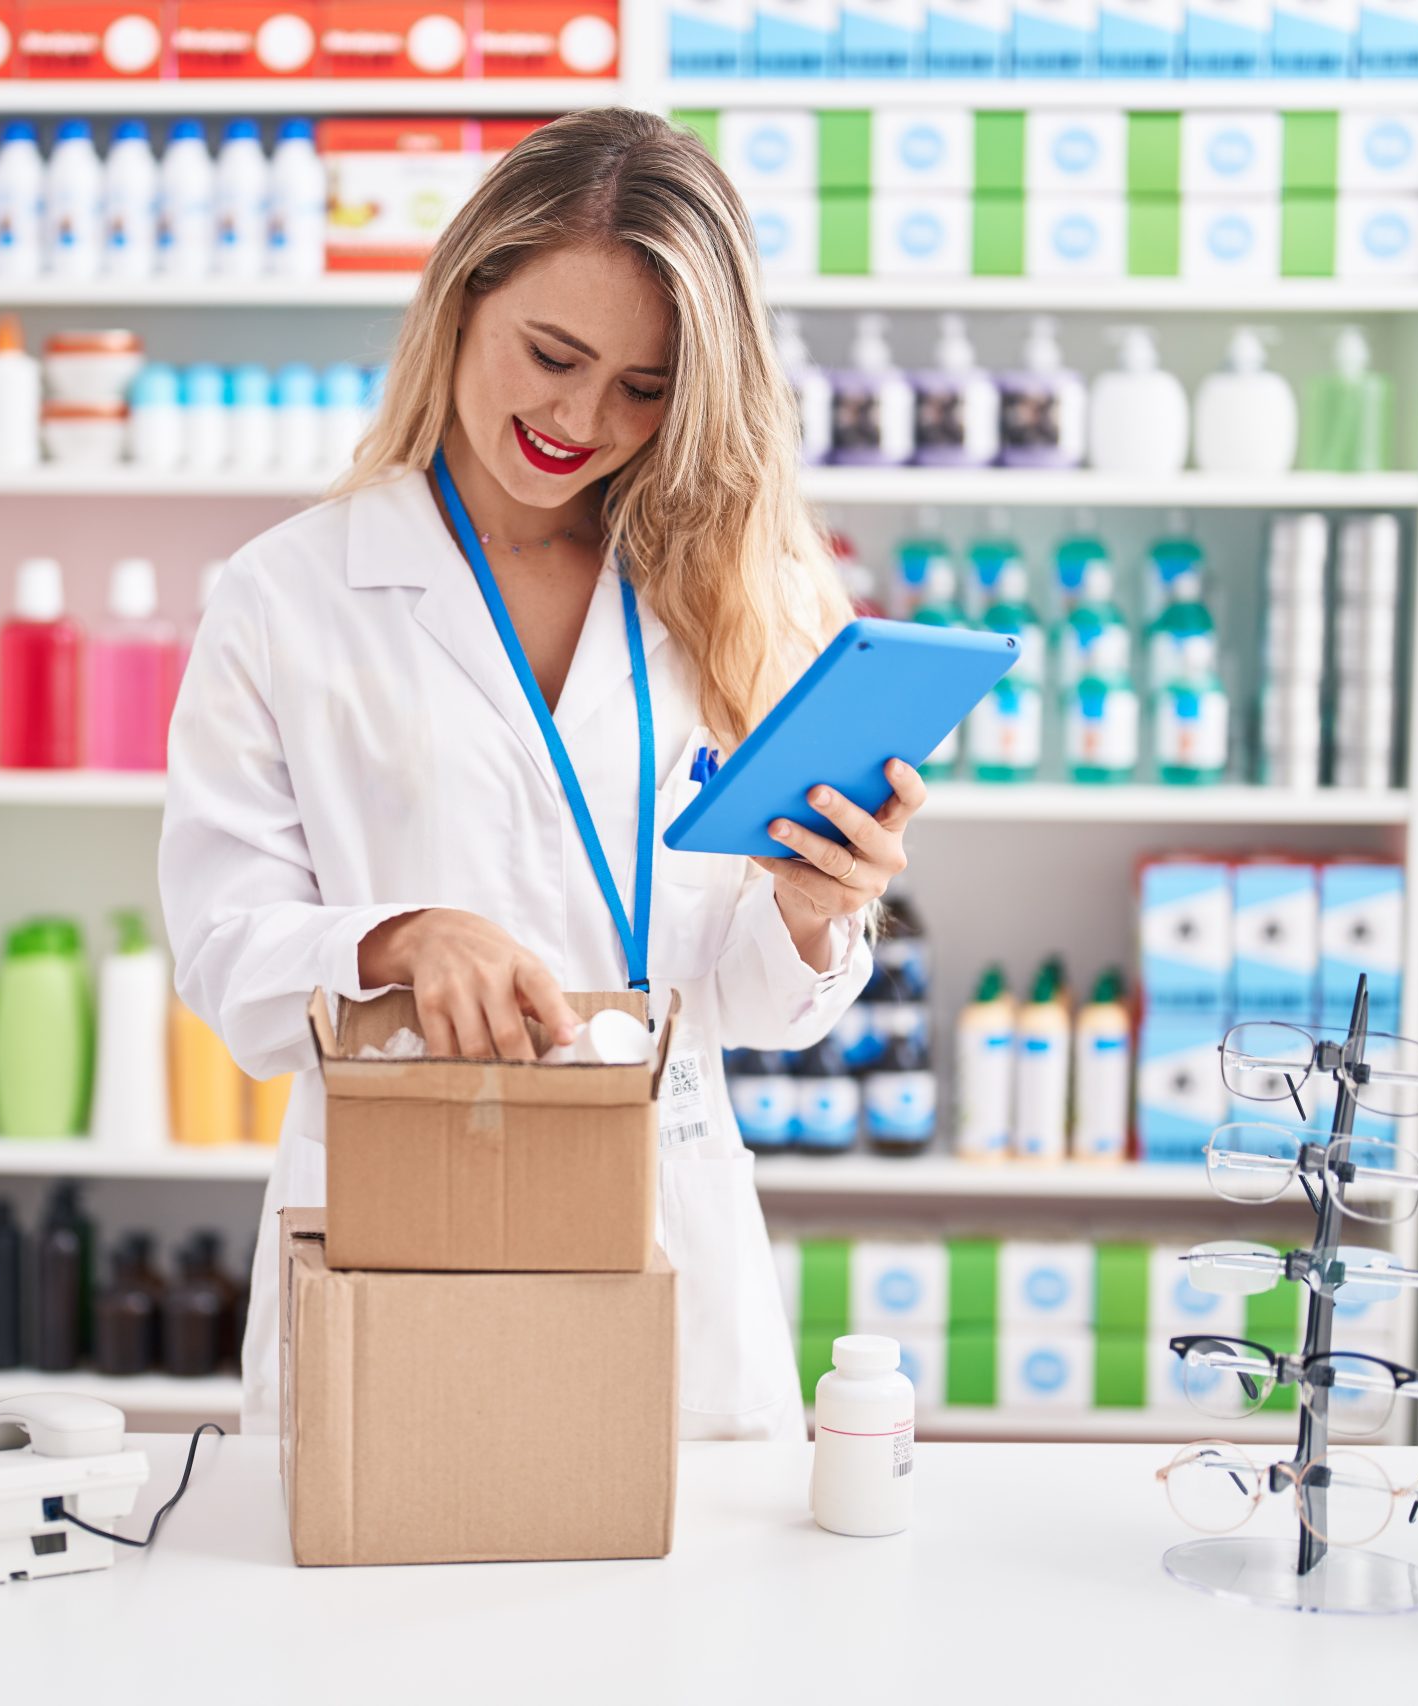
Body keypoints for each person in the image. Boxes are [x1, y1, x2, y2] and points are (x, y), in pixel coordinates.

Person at [159, 108, 925, 1441]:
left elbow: (753, 1001)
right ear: (466, 300)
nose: (582, 418)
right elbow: (229, 963)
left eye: (644, 386)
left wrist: (813, 909)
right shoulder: (287, 596)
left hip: (663, 1217)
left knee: (684, 1637)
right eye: (552, 354)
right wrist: (397, 938)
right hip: (401, 1213)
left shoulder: (746, 590)